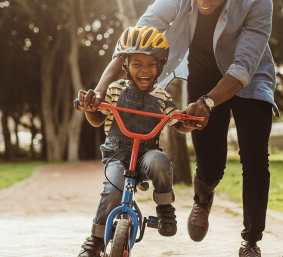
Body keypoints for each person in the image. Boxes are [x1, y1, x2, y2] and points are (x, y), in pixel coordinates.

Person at [87, 0, 278, 257]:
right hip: (203, 77)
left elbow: (243, 66)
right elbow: (132, 44)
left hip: (250, 80)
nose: (203, 4)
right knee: (211, 165)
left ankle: (251, 241)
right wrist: (99, 88)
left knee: (255, 157)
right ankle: (203, 198)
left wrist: (209, 102)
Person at [74, 26, 195, 257]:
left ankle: (165, 209)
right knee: (112, 191)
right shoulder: (113, 90)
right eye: (137, 64)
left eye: (151, 64)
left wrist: (187, 122)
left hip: (146, 156)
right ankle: (96, 239)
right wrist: (89, 108)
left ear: (160, 66)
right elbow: (97, 119)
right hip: (117, 156)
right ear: (125, 65)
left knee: (160, 161)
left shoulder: (162, 96)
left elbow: (176, 122)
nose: (144, 70)